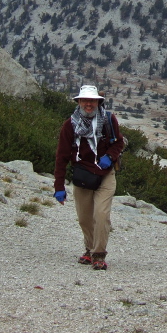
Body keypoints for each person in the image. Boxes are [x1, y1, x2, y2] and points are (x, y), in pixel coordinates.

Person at [54, 85, 125, 271]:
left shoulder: (109, 120)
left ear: (98, 102)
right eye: (84, 100)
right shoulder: (70, 125)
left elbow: (119, 142)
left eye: (92, 101)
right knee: (84, 218)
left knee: (101, 215)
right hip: (82, 175)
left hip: (105, 174)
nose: (88, 104)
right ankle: (89, 248)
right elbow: (61, 156)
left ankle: (99, 254)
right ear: (78, 102)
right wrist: (59, 186)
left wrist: (109, 157)